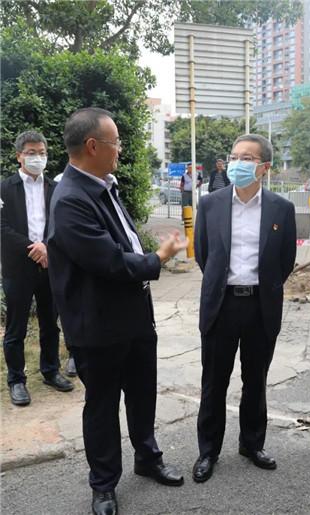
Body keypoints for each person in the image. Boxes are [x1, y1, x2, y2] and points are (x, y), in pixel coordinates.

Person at [48, 107, 188, 515]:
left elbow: (123, 241)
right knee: (103, 406)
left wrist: (146, 260)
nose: (120, 150)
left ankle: (147, 457)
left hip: (134, 316)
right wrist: (158, 258)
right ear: (93, 146)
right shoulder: (71, 199)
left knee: (142, 395)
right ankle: (104, 484)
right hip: (98, 325)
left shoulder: (103, 185)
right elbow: (108, 261)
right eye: (116, 142)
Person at [191, 134, 296, 483]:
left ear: (264, 167)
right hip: (221, 305)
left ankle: (252, 444)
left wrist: (261, 287)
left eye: (247, 158)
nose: (237, 163)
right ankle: (208, 450)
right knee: (214, 382)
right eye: (235, 156)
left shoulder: (281, 208)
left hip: (260, 306)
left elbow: (285, 261)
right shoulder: (211, 204)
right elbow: (204, 255)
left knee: (255, 380)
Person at [1, 130, 73, 406]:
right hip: (18, 268)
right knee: (16, 327)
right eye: (31, 153)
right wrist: (34, 247)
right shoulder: (4, 188)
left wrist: (46, 246)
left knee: (50, 324)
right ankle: (16, 380)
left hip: (48, 265)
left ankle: (50, 370)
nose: (37, 158)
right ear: (19, 156)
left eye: (42, 153)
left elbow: (61, 223)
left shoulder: (55, 188)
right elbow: (2, 227)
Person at [49, 170, 77, 378]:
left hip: (72, 260)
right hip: (50, 260)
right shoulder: (59, 183)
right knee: (57, 314)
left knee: (73, 309)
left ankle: (74, 354)